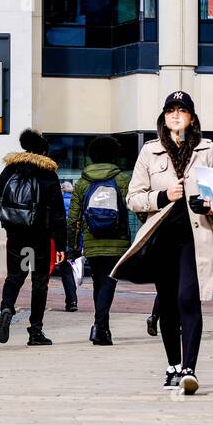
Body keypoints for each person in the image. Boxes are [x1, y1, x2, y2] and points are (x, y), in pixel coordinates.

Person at [118, 91, 213, 394]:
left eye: (182, 111)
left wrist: (209, 206)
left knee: (188, 297)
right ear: (164, 117)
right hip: (160, 236)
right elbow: (133, 198)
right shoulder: (150, 152)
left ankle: (189, 368)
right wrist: (163, 196)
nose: (176, 115)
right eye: (171, 111)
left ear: (192, 118)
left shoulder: (207, 150)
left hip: (194, 237)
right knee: (167, 302)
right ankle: (173, 365)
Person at [0, 129, 67, 347]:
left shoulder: (10, 169)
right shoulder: (47, 173)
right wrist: (61, 244)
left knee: (15, 276)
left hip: (16, 236)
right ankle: (35, 332)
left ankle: (7, 307)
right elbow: (58, 213)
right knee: (39, 283)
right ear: (43, 151)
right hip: (40, 239)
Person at [68, 135, 130, 346]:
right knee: (109, 282)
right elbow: (135, 208)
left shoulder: (83, 182)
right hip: (117, 241)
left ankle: (102, 328)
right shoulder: (122, 180)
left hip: (92, 241)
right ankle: (100, 326)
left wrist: (73, 246)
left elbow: (73, 218)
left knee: (98, 282)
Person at [56, 181, 80, 312]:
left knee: (45, 272)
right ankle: (72, 300)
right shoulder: (76, 203)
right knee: (67, 270)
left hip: (57, 240)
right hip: (71, 242)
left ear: (63, 190)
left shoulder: (58, 202)